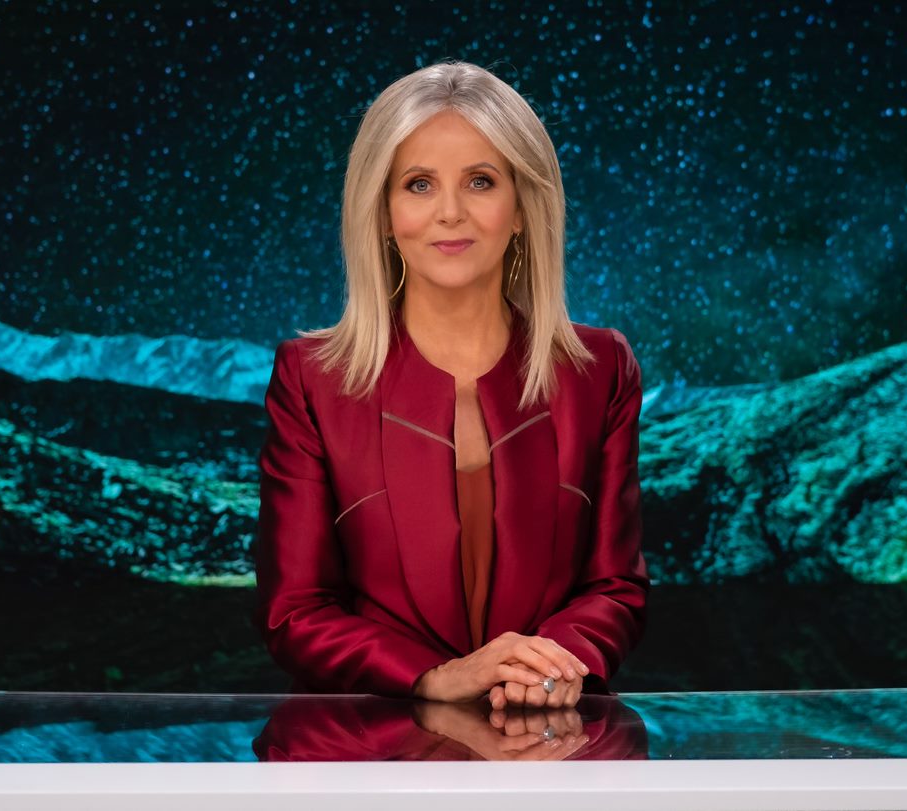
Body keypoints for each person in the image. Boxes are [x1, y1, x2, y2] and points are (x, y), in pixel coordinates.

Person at [255, 60, 648, 709]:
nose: (450, 212)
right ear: (380, 212)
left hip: (546, 743)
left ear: (523, 207)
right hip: (369, 759)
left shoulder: (599, 368)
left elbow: (615, 587)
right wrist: (434, 678)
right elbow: (294, 610)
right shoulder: (312, 376)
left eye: (481, 181)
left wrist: (542, 667)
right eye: (418, 184)